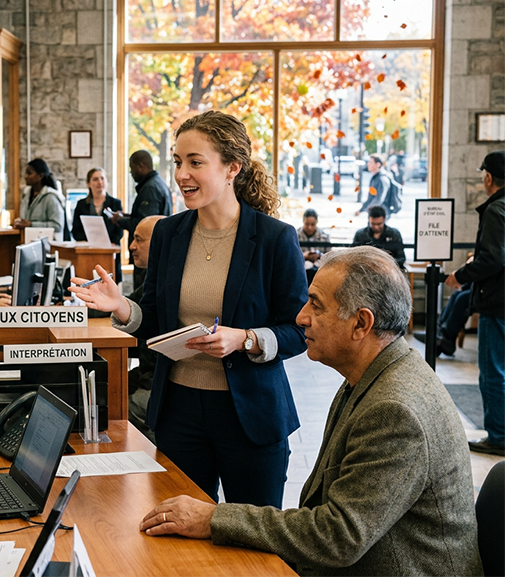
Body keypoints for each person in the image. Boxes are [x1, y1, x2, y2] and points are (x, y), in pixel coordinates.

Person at [139, 246, 482, 577]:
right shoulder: (376, 375)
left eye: (316, 306)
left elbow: (338, 537)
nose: (301, 317)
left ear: (361, 324)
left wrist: (214, 518)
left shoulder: (395, 410)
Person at [72, 111, 307, 508]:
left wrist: (246, 339)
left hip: (250, 416)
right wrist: (121, 309)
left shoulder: (274, 239)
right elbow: (154, 320)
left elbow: (300, 330)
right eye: (178, 161)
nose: (181, 174)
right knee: (180, 533)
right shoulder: (168, 233)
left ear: (232, 167)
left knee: (249, 544)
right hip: (179, 411)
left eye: (195, 162)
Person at [446, 150, 505, 457]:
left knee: (493, 371)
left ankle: (498, 435)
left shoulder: (497, 209)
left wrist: (462, 275)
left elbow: (494, 258)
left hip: (498, 304)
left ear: (489, 178)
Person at [126, 215, 164, 443]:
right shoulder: (152, 274)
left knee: (112, 408)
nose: (131, 246)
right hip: (147, 374)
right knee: (105, 391)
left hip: (157, 382)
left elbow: (128, 307)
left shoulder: (163, 277)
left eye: (139, 240)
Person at [111, 150, 173, 289]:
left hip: (148, 256)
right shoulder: (158, 183)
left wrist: (120, 220)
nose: (131, 173)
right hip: (155, 253)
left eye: (132, 168)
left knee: (143, 299)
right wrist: (126, 216)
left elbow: (144, 225)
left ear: (141, 166)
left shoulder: (149, 189)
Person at [71, 167, 124, 281]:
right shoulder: (81, 205)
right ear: (89, 184)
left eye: (102, 178)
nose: (100, 182)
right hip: (88, 252)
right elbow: (76, 230)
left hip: (109, 252)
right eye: (95, 179)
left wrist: (111, 242)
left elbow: (119, 230)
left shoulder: (115, 203)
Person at [12, 158, 66, 240]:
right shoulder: (26, 195)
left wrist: (31, 224)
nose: (26, 177)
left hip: (48, 244)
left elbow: (57, 225)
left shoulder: (50, 197)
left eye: (29, 173)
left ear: (40, 176)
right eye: (26, 173)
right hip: (29, 242)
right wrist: (20, 222)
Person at [297, 208, 330, 284]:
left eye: (312, 224)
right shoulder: (295, 235)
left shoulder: (324, 236)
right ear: (303, 222)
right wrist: (304, 256)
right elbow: (290, 257)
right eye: (307, 224)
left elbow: (329, 256)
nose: (309, 227)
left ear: (317, 222)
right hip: (301, 272)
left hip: (319, 273)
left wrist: (319, 256)